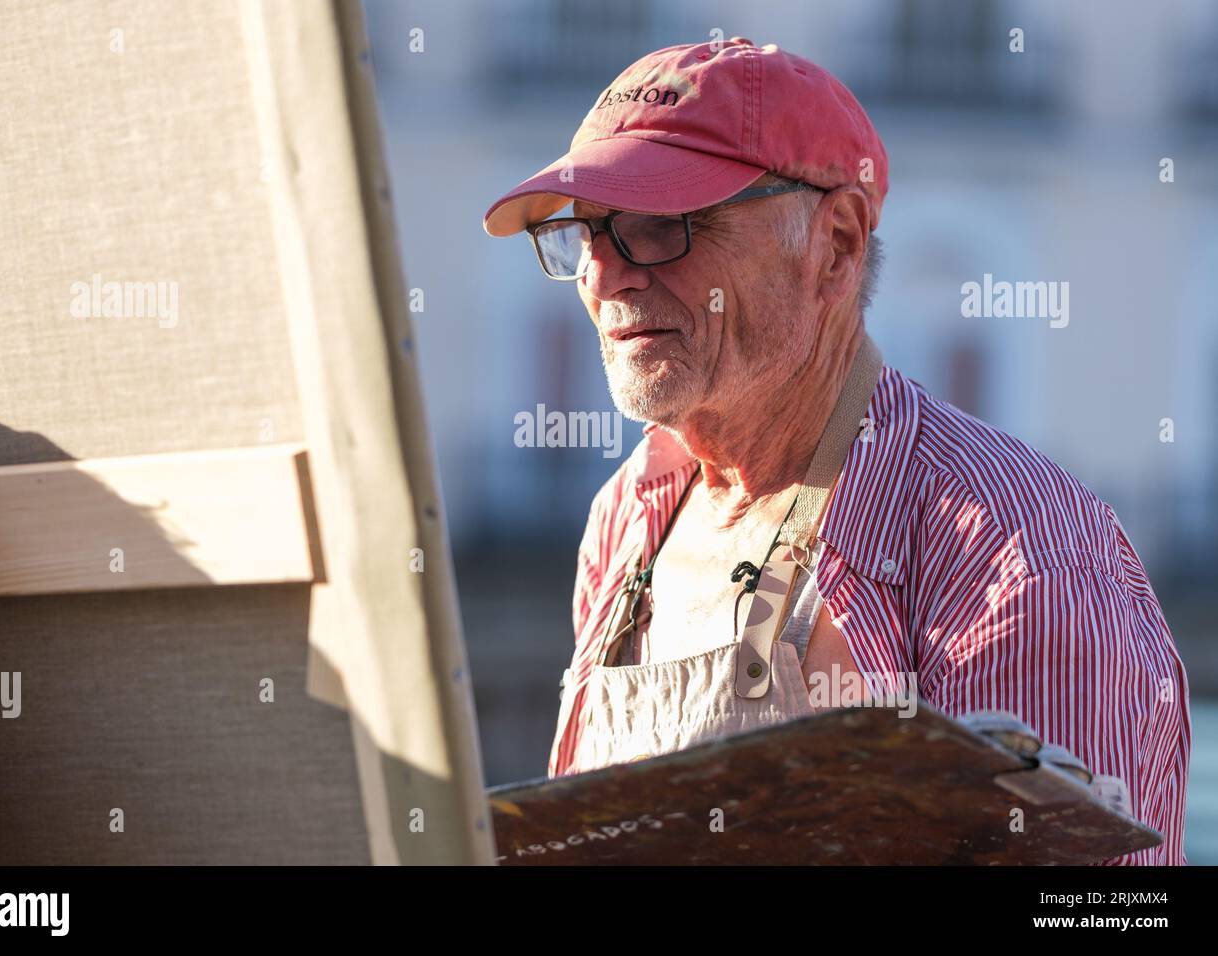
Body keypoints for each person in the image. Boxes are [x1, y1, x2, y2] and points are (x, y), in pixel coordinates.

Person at [482, 38, 1189, 864]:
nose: (602, 277)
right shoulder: (630, 514)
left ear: (838, 244)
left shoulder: (1010, 553)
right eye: (585, 233)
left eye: (659, 225)